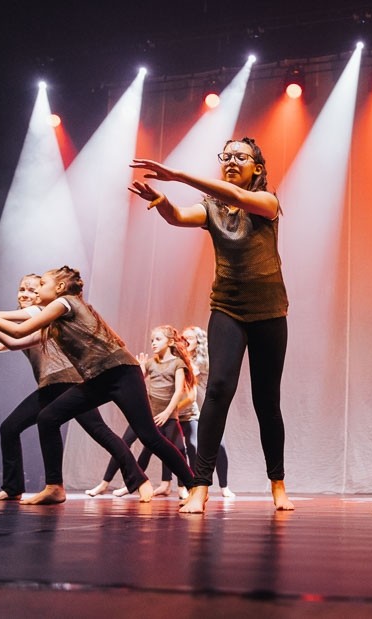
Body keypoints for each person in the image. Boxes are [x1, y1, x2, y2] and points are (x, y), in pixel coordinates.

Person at [129, 137, 290, 513]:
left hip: (269, 312)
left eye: (240, 157)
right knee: (217, 390)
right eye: (226, 155)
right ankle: (200, 486)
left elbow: (238, 196)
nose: (231, 160)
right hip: (228, 309)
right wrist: (163, 202)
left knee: (267, 401)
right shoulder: (211, 208)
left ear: (257, 169)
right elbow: (178, 216)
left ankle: (278, 483)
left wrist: (179, 175)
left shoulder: (267, 202)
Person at [0, 266, 196, 505]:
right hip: (98, 379)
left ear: (59, 287)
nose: (36, 291)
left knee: (149, 436)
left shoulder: (64, 302)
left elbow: (18, 329)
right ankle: (55, 487)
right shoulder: (55, 323)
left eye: (42, 285)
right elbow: (14, 342)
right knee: (48, 418)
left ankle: (194, 486)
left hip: (121, 372)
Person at [0, 274, 148, 504]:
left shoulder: (40, 312)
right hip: (49, 385)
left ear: (41, 294)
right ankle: (15, 488)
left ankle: (137, 480)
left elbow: (4, 324)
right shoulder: (29, 320)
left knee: (99, 431)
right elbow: (4, 345)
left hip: (68, 381)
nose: (26, 294)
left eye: (32, 289)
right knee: (10, 428)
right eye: (22, 289)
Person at [86, 324, 197, 499]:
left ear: (169, 342)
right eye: (152, 340)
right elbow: (135, 383)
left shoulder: (177, 363)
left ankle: (183, 487)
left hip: (167, 416)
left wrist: (167, 413)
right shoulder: (151, 363)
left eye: (158, 339)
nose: (153, 343)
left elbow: (178, 391)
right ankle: (104, 483)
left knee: (178, 449)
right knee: (123, 443)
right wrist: (141, 368)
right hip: (147, 415)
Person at [181, 325, 236, 498]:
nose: (185, 341)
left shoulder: (201, 360)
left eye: (189, 338)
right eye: (183, 338)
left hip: (206, 405)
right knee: (192, 445)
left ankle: (224, 486)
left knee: (219, 444)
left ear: (198, 341)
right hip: (191, 408)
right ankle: (191, 485)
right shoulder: (182, 359)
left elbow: (192, 373)